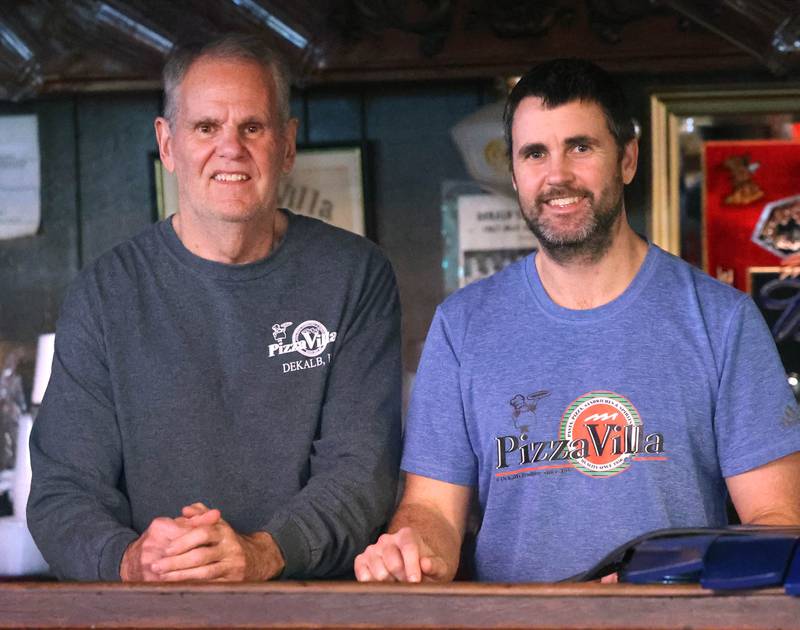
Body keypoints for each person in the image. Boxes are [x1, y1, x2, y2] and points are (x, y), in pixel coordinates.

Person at [354, 58, 800, 584]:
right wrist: (414, 555)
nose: (557, 175)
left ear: (627, 159)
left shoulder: (721, 320)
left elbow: (778, 523)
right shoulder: (463, 326)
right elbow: (432, 510)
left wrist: (667, 581)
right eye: (535, 153)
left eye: (580, 147)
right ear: (516, 173)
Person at [28, 34, 401, 582]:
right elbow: (64, 491)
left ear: (288, 144)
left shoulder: (354, 275)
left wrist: (262, 552)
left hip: (309, 609)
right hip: (148, 612)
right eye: (206, 128)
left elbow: (359, 472)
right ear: (169, 143)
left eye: (253, 127)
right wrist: (132, 561)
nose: (231, 148)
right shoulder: (105, 292)